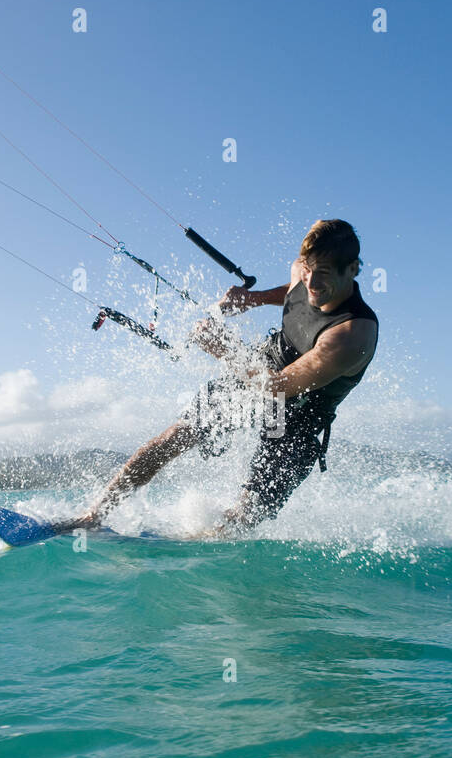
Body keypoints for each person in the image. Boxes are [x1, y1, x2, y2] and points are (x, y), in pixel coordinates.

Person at [52, 218, 378, 538]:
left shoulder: (352, 335)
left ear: (352, 269)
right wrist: (255, 298)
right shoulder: (305, 270)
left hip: (301, 412)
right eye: (307, 270)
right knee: (174, 437)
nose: (310, 282)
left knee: (246, 515)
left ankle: (193, 543)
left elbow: (275, 388)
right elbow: (297, 285)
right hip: (265, 359)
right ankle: (92, 517)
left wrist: (225, 349)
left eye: (322, 274)